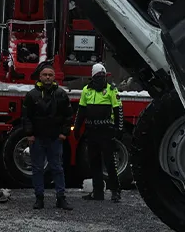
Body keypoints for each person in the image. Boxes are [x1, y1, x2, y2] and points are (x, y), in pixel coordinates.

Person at [23, 63, 75, 210]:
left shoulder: (61, 94)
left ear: (54, 77)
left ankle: (61, 198)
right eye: (45, 75)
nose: (47, 77)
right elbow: (26, 117)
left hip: (55, 139)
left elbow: (68, 116)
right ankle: (39, 198)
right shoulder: (32, 95)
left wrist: (64, 134)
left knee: (57, 168)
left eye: (50, 75)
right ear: (40, 76)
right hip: (37, 138)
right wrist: (29, 134)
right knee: (37, 169)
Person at [74, 63, 123, 202]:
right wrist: (77, 127)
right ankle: (97, 192)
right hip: (91, 132)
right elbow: (81, 111)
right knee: (94, 163)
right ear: (92, 76)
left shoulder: (111, 90)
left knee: (109, 163)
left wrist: (119, 129)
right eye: (97, 75)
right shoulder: (86, 90)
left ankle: (115, 192)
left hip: (106, 132)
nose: (100, 77)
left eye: (102, 75)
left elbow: (118, 110)